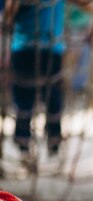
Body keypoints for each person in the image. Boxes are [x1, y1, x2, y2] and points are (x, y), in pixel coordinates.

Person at [5, 0, 66, 159]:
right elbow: (8, 15)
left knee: (53, 98)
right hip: (24, 46)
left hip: (51, 46)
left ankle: (54, 143)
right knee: (24, 100)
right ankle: (23, 144)